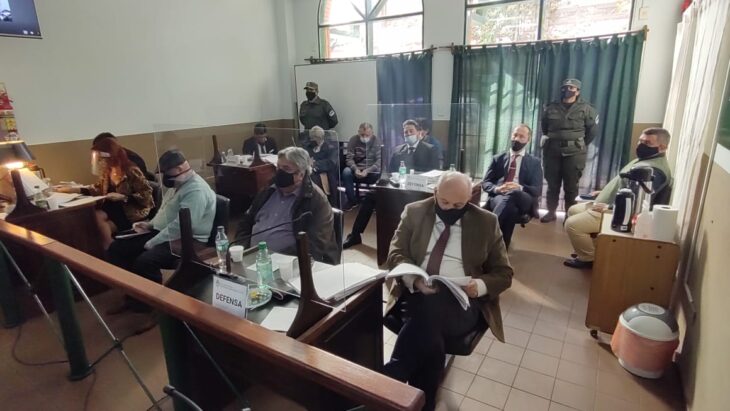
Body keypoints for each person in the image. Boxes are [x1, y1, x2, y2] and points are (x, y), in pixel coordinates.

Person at [383, 171, 513, 411]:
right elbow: (395, 254)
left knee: (430, 311)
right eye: (444, 202)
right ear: (435, 193)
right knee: (429, 331)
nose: (450, 209)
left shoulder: (486, 222)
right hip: (417, 292)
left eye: (458, 205)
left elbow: (504, 274)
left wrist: (478, 286)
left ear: (470, 198)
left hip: (462, 302)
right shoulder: (414, 211)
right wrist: (415, 280)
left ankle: (391, 380)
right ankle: (424, 402)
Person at [106, 150, 216, 306]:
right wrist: (150, 224)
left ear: (179, 169)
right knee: (118, 249)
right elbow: (165, 212)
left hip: (188, 239)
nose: (164, 177)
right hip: (166, 233)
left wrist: (154, 241)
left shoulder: (196, 191)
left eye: (166, 172)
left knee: (145, 261)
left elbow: (183, 226)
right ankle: (135, 296)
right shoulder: (178, 184)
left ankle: (153, 304)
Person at [564, 128, 673, 268]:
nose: (641, 145)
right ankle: (592, 248)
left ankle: (588, 258)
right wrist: (604, 192)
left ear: (663, 147)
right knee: (573, 210)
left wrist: (609, 207)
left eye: (647, 143)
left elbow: (637, 201)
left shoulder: (653, 171)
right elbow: (625, 183)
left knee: (572, 225)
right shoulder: (647, 160)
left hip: (618, 212)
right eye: (640, 141)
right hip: (610, 203)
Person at [342, 120, 438, 249]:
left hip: (419, 189)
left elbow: (434, 173)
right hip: (398, 188)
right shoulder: (398, 150)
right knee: (370, 196)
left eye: (411, 131)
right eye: (406, 132)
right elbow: (390, 172)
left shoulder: (430, 149)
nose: (408, 134)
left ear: (419, 133)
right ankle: (355, 235)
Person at [234, 147, 338, 264]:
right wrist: (242, 250)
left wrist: (277, 260)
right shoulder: (268, 190)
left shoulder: (316, 199)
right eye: (278, 167)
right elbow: (245, 223)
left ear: (301, 174)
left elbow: (315, 245)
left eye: (286, 169)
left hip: (288, 264)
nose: (279, 172)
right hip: (252, 259)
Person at [57, 138, 154, 249]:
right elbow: (98, 188)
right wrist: (76, 189)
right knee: (94, 217)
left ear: (110, 156)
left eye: (100, 158)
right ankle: (109, 247)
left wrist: (123, 197)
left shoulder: (131, 170)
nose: (99, 161)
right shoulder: (108, 171)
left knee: (101, 227)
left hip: (129, 210)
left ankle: (109, 248)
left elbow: (147, 196)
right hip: (113, 207)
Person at [540, 78, 598, 223]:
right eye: (565, 87)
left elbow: (592, 131)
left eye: (572, 88)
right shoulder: (550, 107)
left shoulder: (587, 108)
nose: (568, 90)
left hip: (575, 153)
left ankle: (569, 215)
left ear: (578, 91)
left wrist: (578, 144)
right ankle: (551, 212)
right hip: (552, 151)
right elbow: (545, 127)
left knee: (571, 187)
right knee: (552, 185)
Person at [481, 124, 543, 248]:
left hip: (523, 197)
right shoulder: (497, 159)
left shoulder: (534, 162)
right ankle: (502, 250)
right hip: (499, 195)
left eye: (521, 136)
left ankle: (488, 234)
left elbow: (537, 190)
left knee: (513, 193)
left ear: (528, 140)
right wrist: (496, 189)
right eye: (515, 135)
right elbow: (486, 182)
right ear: (511, 136)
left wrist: (520, 187)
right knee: (511, 210)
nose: (517, 139)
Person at [342, 122, 381, 210]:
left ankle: (374, 202)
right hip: (356, 169)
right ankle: (352, 201)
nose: (364, 137)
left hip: (371, 171)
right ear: (358, 132)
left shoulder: (377, 141)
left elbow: (379, 161)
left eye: (367, 135)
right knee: (346, 172)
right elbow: (349, 159)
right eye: (362, 135)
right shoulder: (353, 140)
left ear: (372, 133)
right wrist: (355, 169)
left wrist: (367, 171)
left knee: (380, 175)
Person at [305, 126, 339, 205]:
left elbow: (331, 162)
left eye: (313, 138)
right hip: (310, 170)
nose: (311, 140)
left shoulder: (331, 147)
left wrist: (314, 164)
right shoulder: (309, 146)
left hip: (326, 172)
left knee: (314, 178)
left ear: (319, 138)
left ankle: (320, 203)